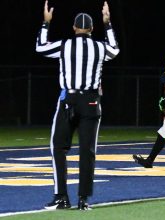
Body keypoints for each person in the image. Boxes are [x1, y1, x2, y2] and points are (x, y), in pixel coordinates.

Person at [36, 0, 119, 210]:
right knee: (87, 150)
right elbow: (115, 50)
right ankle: (83, 200)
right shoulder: (100, 48)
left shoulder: (65, 45)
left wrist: (46, 23)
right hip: (91, 101)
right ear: (91, 29)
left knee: (58, 148)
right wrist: (108, 24)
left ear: (74, 28)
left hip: (68, 100)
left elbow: (41, 47)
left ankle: (61, 197)